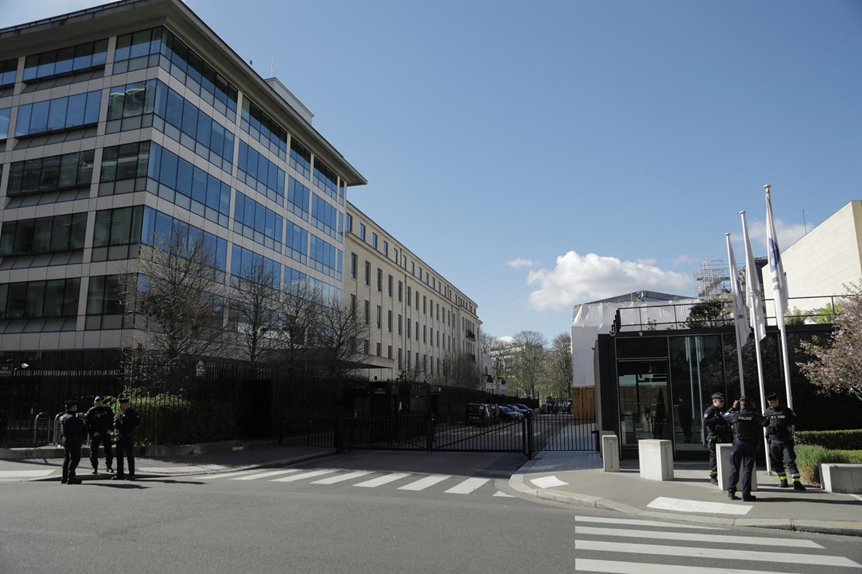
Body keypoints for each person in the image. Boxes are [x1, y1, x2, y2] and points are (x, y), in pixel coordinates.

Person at [722, 397, 766, 501]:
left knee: (734, 468)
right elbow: (765, 422)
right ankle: (746, 494)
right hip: (750, 444)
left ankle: (731, 492)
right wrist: (755, 411)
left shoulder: (736, 415)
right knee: (747, 470)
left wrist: (732, 408)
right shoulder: (755, 416)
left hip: (738, 443)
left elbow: (725, 416)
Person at [765, 391, 806, 491]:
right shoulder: (767, 412)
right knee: (776, 461)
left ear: (777, 400)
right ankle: (783, 480)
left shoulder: (786, 411)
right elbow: (764, 423)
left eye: (773, 401)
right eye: (769, 401)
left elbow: (795, 421)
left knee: (789, 461)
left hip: (785, 440)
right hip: (773, 440)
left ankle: (796, 482)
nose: (771, 403)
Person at [703, 392, 732, 485]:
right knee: (714, 458)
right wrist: (716, 419)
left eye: (723, 401)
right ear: (714, 401)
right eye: (721, 401)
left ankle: (726, 475)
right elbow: (705, 422)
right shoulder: (710, 410)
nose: (722, 403)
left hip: (723, 437)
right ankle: (713, 477)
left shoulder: (721, 410)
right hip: (714, 437)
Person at [84, 396, 114, 475]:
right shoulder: (91, 411)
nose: (98, 403)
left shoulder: (107, 410)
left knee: (108, 450)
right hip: (96, 433)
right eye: (97, 402)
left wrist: (110, 429)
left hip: (105, 432)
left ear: (102, 402)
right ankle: (95, 467)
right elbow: (86, 423)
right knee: (93, 451)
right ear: (94, 403)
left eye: (100, 401)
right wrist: (92, 432)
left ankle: (109, 466)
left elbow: (112, 420)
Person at [113, 397, 140, 481]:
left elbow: (136, 423)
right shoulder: (119, 413)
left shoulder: (133, 413)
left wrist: (125, 422)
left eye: (127, 404)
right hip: (120, 436)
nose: (125, 405)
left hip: (128, 436)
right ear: (121, 405)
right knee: (119, 456)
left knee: (129, 455)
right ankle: (119, 474)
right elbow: (116, 424)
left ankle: (131, 474)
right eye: (124, 404)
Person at [60, 400, 87, 485]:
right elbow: (77, 429)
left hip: (66, 440)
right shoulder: (71, 418)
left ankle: (64, 478)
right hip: (73, 440)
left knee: (67, 459)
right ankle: (71, 477)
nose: (76, 408)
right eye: (75, 406)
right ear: (72, 407)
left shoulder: (63, 416)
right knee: (75, 459)